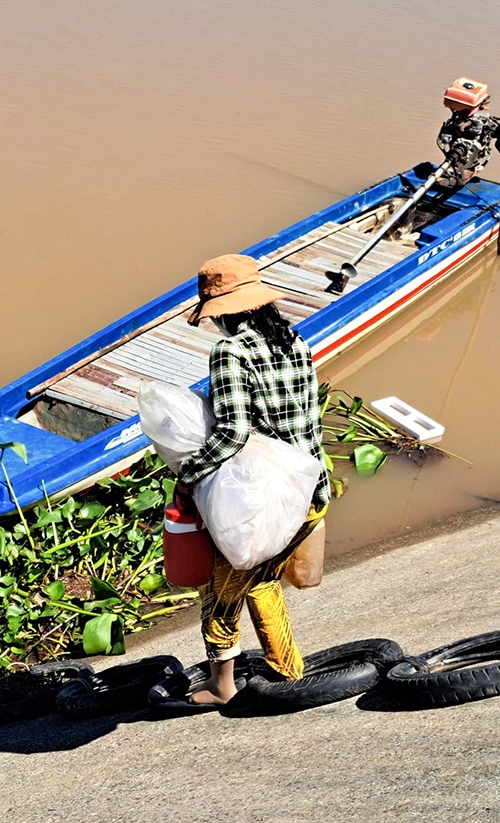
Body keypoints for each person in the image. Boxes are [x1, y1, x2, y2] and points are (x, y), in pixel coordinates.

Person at [175, 253, 330, 704]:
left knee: (221, 590)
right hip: (311, 492)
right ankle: (287, 671)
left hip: (266, 502)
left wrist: (188, 475)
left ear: (221, 310)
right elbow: (306, 421)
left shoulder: (230, 351)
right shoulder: (294, 342)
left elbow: (232, 434)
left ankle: (222, 686)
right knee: (260, 580)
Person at [436, 77, 500, 186]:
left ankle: (459, 172)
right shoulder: (460, 120)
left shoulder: (483, 122)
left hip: (473, 148)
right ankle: (456, 169)